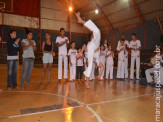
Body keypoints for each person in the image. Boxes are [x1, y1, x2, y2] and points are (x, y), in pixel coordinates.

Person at [75, 12, 104, 88]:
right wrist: (81, 51)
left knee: (97, 31)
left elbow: (102, 67)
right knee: (90, 65)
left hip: (95, 47)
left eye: (93, 36)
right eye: (92, 36)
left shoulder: (97, 59)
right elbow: (84, 45)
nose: (92, 36)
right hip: (92, 46)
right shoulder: (89, 43)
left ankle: (81, 21)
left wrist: (99, 75)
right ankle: (87, 81)